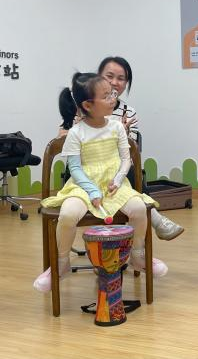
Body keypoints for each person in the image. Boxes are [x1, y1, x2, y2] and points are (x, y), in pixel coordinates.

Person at [34, 73, 168, 292]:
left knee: (138, 208)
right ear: (88, 105)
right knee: (68, 214)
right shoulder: (76, 132)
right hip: (82, 186)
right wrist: (91, 190)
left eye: (112, 94)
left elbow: (126, 159)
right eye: (106, 96)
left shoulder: (116, 127)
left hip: (114, 185)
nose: (113, 98)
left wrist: (118, 179)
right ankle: (61, 263)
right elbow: (75, 168)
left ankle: (138, 256)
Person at [59, 56, 184, 241]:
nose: (115, 83)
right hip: (85, 170)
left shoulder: (127, 111)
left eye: (121, 78)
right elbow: (63, 137)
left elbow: (130, 149)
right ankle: (155, 218)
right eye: (109, 76)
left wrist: (122, 133)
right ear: (98, 77)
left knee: (130, 170)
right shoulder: (81, 106)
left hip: (114, 168)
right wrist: (78, 129)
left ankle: (149, 221)